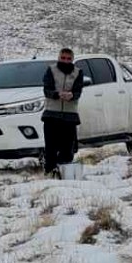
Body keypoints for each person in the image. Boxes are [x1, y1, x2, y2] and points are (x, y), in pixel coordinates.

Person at [41, 47, 86, 177]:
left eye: (68, 59)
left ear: (72, 60)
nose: (65, 61)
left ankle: (64, 173)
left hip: (69, 116)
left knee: (67, 149)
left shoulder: (78, 72)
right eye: (63, 58)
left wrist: (72, 95)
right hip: (51, 114)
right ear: (58, 58)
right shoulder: (51, 70)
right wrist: (57, 94)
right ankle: (50, 172)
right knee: (50, 147)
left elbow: (78, 91)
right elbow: (46, 90)